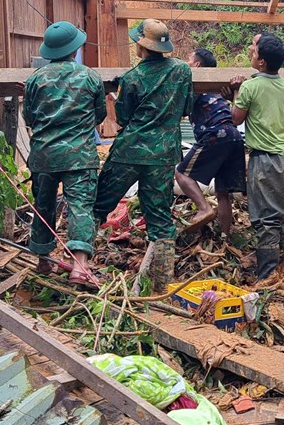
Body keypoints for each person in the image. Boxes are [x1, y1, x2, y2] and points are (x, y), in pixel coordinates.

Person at [93, 19, 192, 292]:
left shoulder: (132, 78)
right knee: (160, 218)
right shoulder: (182, 71)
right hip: (163, 153)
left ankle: (80, 267)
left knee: (98, 206)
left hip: (130, 151)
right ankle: (161, 285)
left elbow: (123, 118)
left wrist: (118, 95)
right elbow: (187, 107)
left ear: (140, 45)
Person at [23, 21, 106, 286]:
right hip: (79, 156)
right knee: (80, 206)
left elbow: (29, 116)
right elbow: (101, 114)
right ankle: (79, 267)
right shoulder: (90, 76)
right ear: (75, 49)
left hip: (44, 155)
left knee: (43, 205)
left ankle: (43, 259)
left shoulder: (35, 78)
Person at [226, 33, 284, 286]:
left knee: (267, 219)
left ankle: (267, 274)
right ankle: (280, 264)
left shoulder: (250, 86)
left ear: (261, 62)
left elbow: (236, 118)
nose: (250, 48)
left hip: (266, 159)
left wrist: (235, 92)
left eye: (254, 49)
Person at [175, 48, 245, 236]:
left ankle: (204, 208)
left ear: (197, 65)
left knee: (182, 174)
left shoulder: (196, 84)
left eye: (189, 59)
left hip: (216, 134)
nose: (186, 62)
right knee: (223, 193)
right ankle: (225, 236)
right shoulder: (217, 89)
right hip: (235, 137)